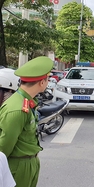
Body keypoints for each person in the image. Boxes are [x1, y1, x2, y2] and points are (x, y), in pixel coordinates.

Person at [0, 56, 53, 187]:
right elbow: (3, 148)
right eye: (48, 79)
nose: (48, 83)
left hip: (29, 163)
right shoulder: (17, 109)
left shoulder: (26, 103)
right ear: (42, 82)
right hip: (17, 167)